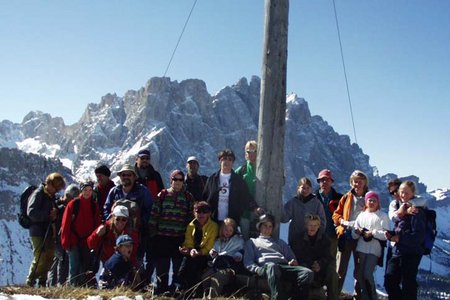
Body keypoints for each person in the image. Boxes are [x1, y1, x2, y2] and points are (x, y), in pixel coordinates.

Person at [103, 164, 153, 285]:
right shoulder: (114, 191)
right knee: (114, 262)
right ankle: (113, 286)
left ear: (134, 177)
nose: (126, 177)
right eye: (123, 175)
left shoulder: (143, 191)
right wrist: (110, 223)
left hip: (137, 235)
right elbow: (106, 208)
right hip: (115, 235)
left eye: (129, 175)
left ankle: (139, 287)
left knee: (136, 262)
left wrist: (141, 224)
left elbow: (150, 209)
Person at [244, 214, 314, 300]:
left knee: (307, 273)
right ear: (259, 227)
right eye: (265, 225)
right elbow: (248, 261)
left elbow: (291, 257)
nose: (267, 228)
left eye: (270, 226)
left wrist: (292, 261)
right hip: (265, 267)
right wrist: (256, 269)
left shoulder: (279, 242)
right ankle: (277, 298)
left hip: (283, 266)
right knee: (272, 266)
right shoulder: (252, 242)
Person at [148, 170, 194, 294]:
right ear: (171, 180)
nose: (178, 182)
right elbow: (154, 214)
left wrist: (188, 237)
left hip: (179, 237)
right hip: (162, 236)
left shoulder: (188, 197)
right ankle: (161, 289)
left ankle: (175, 289)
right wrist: (153, 233)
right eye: (175, 179)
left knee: (178, 267)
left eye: (180, 179)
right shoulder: (162, 194)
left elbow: (190, 218)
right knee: (162, 266)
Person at [384, 181, 426, 300]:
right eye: (401, 192)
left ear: (413, 193)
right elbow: (395, 219)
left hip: (411, 253)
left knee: (408, 285)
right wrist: (392, 235)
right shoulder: (397, 205)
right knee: (390, 280)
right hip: (397, 251)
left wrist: (399, 238)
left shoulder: (416, 211)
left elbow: (418, 236)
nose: (402, 195)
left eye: (406, 192)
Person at [332, 170, 369, 297]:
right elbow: (336, 214)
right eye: (355, 182)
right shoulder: (347, 197)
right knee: (340, 268)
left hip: (362, 237)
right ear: (351, 183)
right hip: (346, 235)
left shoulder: (369, 198)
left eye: (360, 181)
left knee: (359, 270)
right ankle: (334, 295)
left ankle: (358, 296)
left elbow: (375, 216)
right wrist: (340, 222)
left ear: (365, 183)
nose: (357, 184)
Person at [202, 149, 261, 228]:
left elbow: (246, 197)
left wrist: (255, 208)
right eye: (224, 159)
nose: (227, 161)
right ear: (220, 161)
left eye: (230, 159)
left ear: (233, 162)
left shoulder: (238, 180)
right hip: (213, 221)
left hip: (231, 223)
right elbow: (205, 197)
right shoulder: (212, 179)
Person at [26, 172, 66, 287]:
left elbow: (53, 210)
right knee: (40, 256)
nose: (56, 190)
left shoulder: (50, 196)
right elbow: (32, 213)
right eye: (55, 187)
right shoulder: (38, 194)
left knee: (49, 256)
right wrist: (48, 215)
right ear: (49, 183)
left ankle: (42, 282)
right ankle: (30, 281)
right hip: (37, 231)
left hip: (48, 231)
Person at [60, 181, 101, 286]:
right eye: (85, 190)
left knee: (85, 267)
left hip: (87, 241)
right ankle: (72, 287)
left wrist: (95, 240)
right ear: (81, 191)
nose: (87, 192)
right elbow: (66, 223)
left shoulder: (94, 206)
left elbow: (97, 224)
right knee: (74, 265)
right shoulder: (73, 204)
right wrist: (65, 241)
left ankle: (81, 288)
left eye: (90, 190)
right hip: (73, 240)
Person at [352, 191, 389, 300]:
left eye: (374, 200)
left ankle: (373, 297)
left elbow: (386, 235)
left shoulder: (382, 216)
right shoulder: (361, 215)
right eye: (370, 200)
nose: (372, 202)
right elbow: (354, 234)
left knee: (367, 274)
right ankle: (365, 297)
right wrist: (357, 232)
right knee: (360, 275)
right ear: (366, 201)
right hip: (361, 248)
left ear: (378, 203)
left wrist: (373, 233)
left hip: (374, 250)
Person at [291, 214, 339, 300]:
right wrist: (311, 265)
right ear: (306, 225)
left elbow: (328, 257)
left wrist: (320, 264)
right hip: (305, 268)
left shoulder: (325, 239)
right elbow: (297, 256)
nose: (312, 227)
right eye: (310, 225)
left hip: (320, 270)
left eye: (315, 225)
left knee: (333, 274)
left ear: (319, 226)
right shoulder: (298, 238)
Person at [178, 201, 219, 294]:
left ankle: (195, 294)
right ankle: (182, 292)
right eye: (198, 211)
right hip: (192, 253)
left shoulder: (214, 226)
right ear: (194, 212)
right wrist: (189, 249)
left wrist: (199, 252)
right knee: (182, 270)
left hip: (205, 255)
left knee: (195, 269)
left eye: (204, 211)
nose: (201, 214)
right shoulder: (191, 225)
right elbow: (188, 241)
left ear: (209, 213)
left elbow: (209, 246)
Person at [202, 217, 246, 298]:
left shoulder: (238, 240)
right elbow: (213, 250)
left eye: (230, 230)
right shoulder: (219, 241)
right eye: (226, 230)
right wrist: (213, 253)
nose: (228, 232)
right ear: (222, 229)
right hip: (217, 264)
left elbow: (241, 250)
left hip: (229, 266)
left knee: (217, 278)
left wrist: (238, 256)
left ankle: (212, 297)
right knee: (205, 277)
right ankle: (205, 295)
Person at [48, 183, 80, 287]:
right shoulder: (61, 208)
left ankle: (55, 285)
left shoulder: (60, 206)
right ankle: (58, 285)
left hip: (59, 239)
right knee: (61, 262)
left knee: (59, 262)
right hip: (59, 239)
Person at [281, 177, 326, 247]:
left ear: (311, 189)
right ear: (298, 188)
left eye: (308, 188)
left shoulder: (317, 203)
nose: (305, 190)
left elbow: (322, 222)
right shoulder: (293, 202)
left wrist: (318, 236)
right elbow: (284, 219)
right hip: (295, 238)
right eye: (303, 188)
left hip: (312, 240)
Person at [315, 169, 343, 259]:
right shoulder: (313, 198)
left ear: (331, 182)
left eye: (327, 179)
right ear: (319, 182)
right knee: (316, 260)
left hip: (332, 236)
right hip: (316, 235)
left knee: (331, 261)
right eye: (322, 180)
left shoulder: (339, 198)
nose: (324, 182)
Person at [235, 140, 260, 239]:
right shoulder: (241, 171)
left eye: (254, 151)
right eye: (248, 152)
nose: (251, 154)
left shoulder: (266, 169)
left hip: (261, 210)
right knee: (246, 239)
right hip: (245, 212)